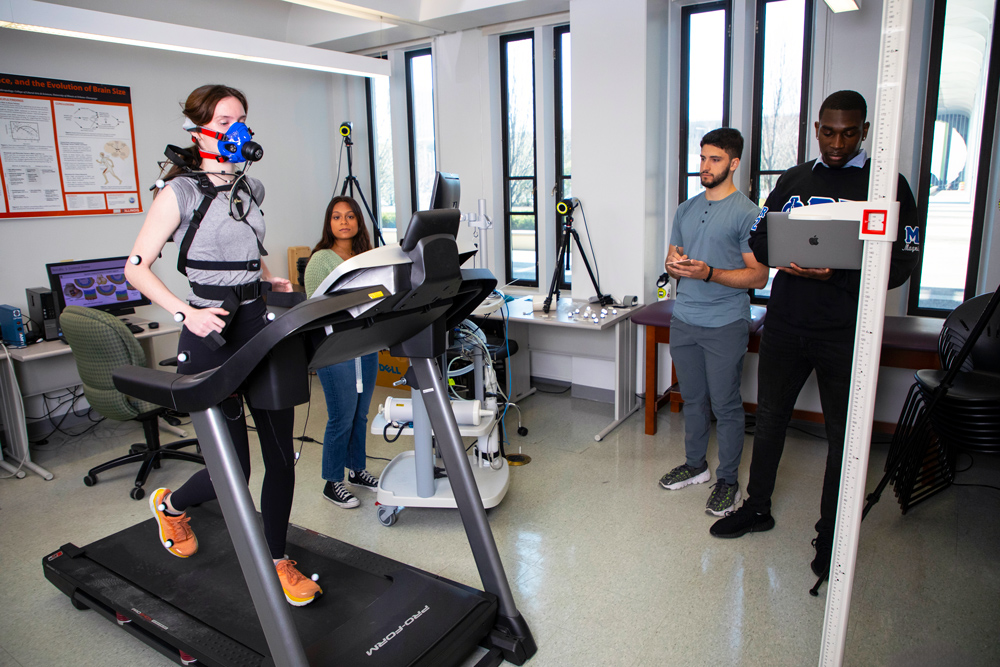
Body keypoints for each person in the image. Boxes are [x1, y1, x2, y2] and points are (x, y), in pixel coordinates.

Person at [709, 91, 922, 579]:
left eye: (849, 132)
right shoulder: (793, 179)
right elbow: (760, 239)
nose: (837, 142)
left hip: (847, 331)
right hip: (786, 322)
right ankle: (757, 507)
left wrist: (836, 275)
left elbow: (901, 266)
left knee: (842, 438)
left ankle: (833, 534)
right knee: (770, 420)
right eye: (828, 131)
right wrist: (788, 258)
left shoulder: (888, 185)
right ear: (816, 128)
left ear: (864, 131)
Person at [124, 84, 321, 606]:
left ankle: (278, 558)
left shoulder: (252, 189)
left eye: (243, 119)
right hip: (209, 330)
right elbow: (136, 268)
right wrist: (184, 311)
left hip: (260, 322)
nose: (239, 128)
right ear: (200, 130)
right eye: (227, 118)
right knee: (232, 469)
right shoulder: (180, 192)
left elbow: (249, 249)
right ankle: (170, 505)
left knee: (281, 460)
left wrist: (270, 280)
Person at [658, 128, 768, 516]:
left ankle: (728, 481)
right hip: (684, 318)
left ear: (734, 163)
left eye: (715, 159)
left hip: (725, 323)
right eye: (702, 158)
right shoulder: (686, 209)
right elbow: (673, 260)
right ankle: (695, 465)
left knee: (726, 405)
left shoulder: (749, 213)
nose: (705, 166)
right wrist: (674, 266)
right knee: (692, 399)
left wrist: (709, 273)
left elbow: (758, 276)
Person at [303, 196, 380, 509]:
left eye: (350, 216)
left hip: (366, 343)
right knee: (341, 417)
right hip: (335, 347)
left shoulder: (367, 255)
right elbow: (314, 308)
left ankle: (357, 469)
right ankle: (332, 481)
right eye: (336, 217)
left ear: (358, 222)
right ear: (329, 223)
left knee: (360, 414)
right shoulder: (321, 259)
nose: (344, 222)